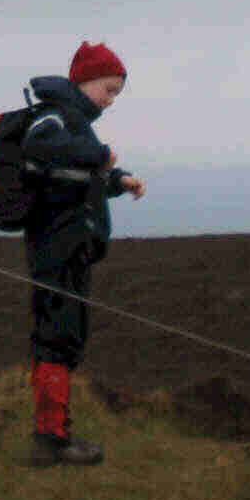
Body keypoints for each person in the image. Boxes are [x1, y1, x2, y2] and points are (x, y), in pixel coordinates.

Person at [21, 40, 145, 467]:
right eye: (109, 90)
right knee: (57, 339)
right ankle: (51, 442)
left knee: (64, 339)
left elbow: (74, 178)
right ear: (87, 80)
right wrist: (99, 155)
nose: (111, 101)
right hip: (57, 250)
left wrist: (118, 181)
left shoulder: (74, 119)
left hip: (70, 250)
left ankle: (53, 434)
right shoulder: (54, 114)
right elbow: (39, 147)